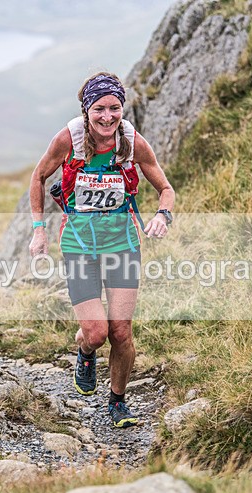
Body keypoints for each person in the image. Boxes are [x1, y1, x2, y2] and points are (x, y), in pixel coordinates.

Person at [29, 72, 174, 428]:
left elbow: (166, 189)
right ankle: (85, 351)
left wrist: (163, 215)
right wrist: (38, 230)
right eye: (99, 109)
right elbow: (39, 177)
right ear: (86, 110)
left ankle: (118, 402)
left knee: (120, 331)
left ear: (122, 108)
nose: (107, 117)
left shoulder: (132, 142)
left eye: (114, 108)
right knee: (95, 333)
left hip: (122, 244)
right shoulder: (68, 139)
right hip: (79, 245)